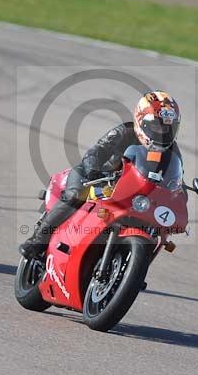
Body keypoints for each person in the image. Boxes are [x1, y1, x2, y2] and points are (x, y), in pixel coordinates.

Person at [19, 90, 182, 259]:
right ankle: (37, 241)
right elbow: (97, 151)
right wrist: (93, 172)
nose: (162, 133)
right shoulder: (125, 132)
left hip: (132, 193)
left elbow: (175, 176)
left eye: (168, 129)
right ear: (141, 121)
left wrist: (177, 191)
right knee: (76, 194)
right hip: (99, 178)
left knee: (154, 227)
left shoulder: (172, 151)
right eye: (157, 126)